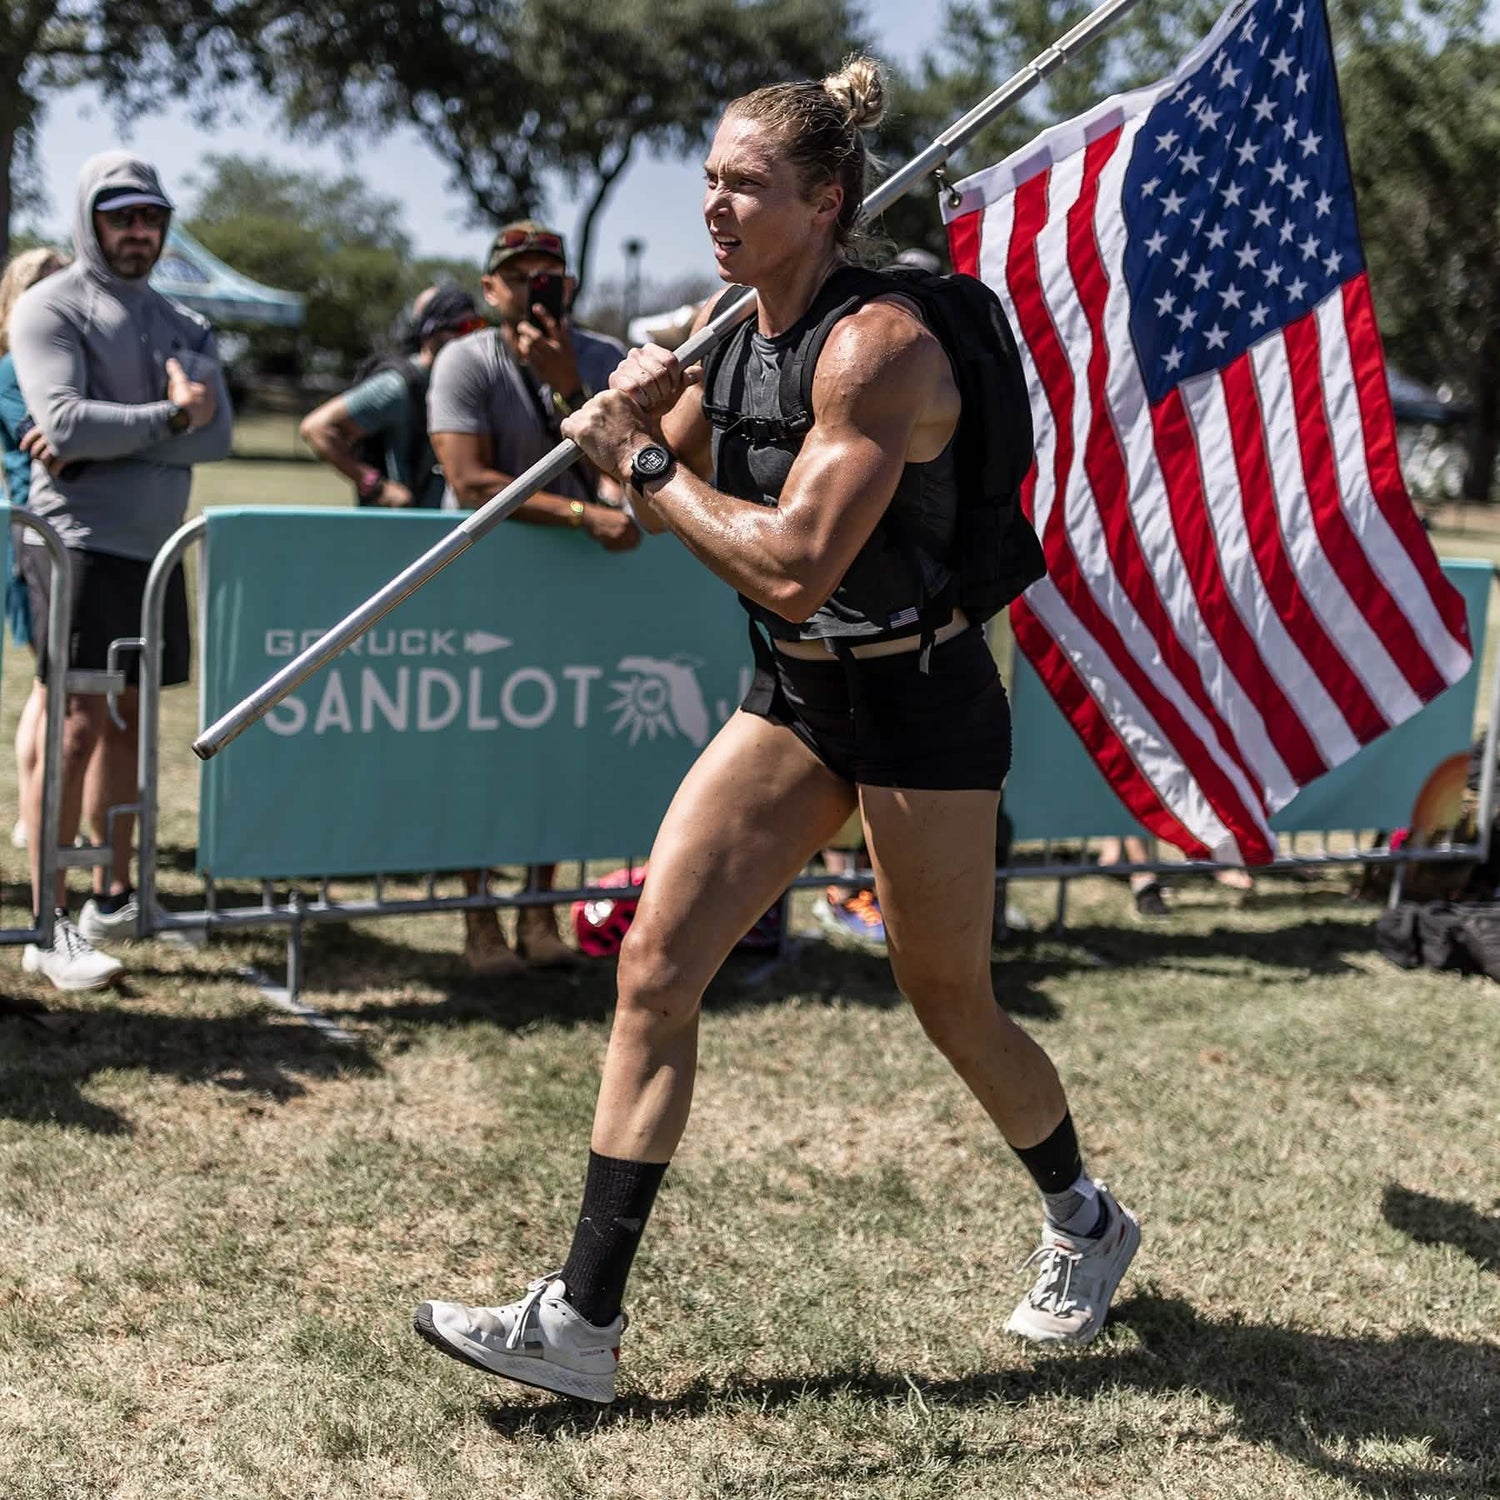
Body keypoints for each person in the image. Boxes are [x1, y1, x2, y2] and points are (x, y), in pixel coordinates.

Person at [413, 57, 1138, 1405]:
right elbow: (645, 488)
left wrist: (637, 455)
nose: (715, 206)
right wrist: (614, 407)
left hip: (922, 700)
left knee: (949, 999)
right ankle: (581, 1322)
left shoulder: (882, 353)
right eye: (708, 180)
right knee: (653, 970)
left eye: (745, 186)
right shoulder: (720, 331)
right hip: (800, 696)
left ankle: (1087, 1219)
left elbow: (797, 558)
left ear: (825, 200)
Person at [9, 152, 232, 991]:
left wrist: (134, 431)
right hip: (75, 544)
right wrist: (172, 413)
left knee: (133, 728)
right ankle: (46, 923)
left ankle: (114, 897)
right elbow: (63, 424)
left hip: (154, 547)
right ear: (90, 219)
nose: (139, 232)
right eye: (122, 216)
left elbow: (219, 438)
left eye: (151, 217)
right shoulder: (49, 306)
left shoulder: (184, 319)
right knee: (75, 725)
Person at [426, 222, 640, 974]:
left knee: (559, 745)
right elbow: (470, 481)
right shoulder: (464, 359)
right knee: (480, 753)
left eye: (548, 275)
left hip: (574, 593)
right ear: (490, 289)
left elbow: (626, 468)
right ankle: (479, 918)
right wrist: (582, 516)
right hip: (483, 589)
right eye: (518, 276)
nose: (533, 287)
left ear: (570, 286)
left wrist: (566, 385)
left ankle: (540, 911)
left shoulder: (605, 360)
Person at [0, 247, 71, 858]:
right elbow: (46, 441)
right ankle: (34, 812)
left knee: (53, 689)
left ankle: (41, 810)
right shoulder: (10, 371)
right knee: (51, 690)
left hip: (59, 539)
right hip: (34, 539)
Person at [299, 283, 483, 509]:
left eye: (477, 326)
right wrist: (375, 485)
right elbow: (316, 428)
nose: (471, 337)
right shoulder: (398, 386)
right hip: (404, 527)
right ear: (430, 332)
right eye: (462, 327)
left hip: (451, 527)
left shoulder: (470, 382)